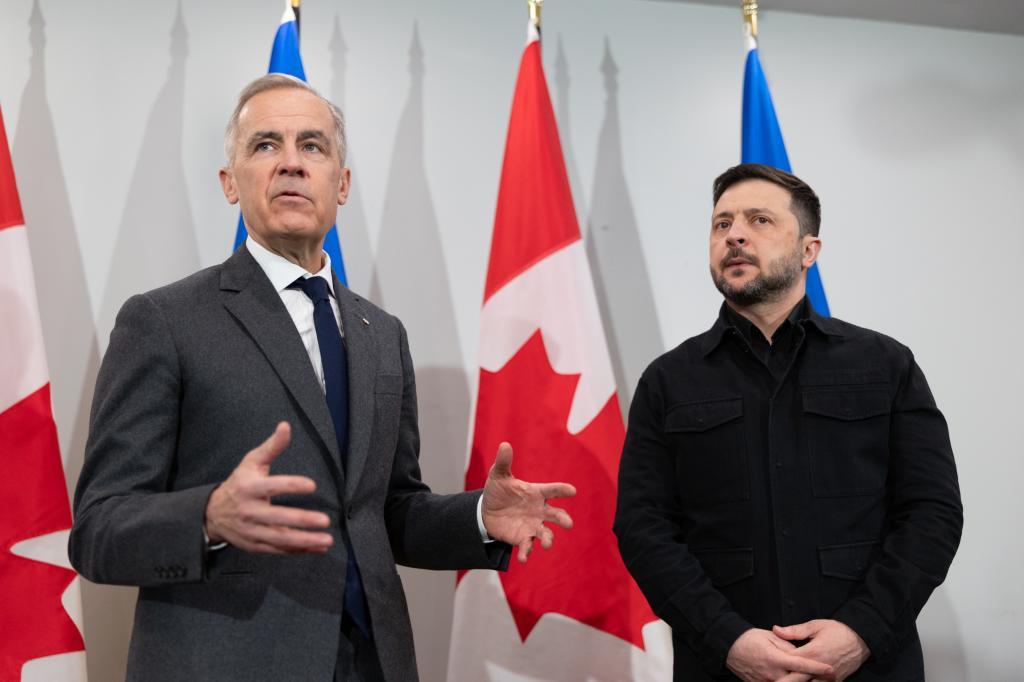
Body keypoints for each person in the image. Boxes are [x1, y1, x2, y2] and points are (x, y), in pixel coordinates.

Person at [69, 73, 576, 682]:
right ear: (230, 183)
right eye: (264, 145)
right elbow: (98, 529)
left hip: (371, 663)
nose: (290, 164)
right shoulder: (164, 321)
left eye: (312, 146)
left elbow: (384, 512)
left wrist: (475, 519)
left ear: (342, 184)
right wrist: (207, 516)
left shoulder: (381, 332)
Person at [614, 163, 962, 682]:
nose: (734, 234)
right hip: (721, 669)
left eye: (759, 220)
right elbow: (644, 529)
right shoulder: (668, 381)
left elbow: (932, 513)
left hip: (868, 667)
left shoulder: (885, 364)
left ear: (809, 251)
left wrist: (861, 631)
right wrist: (727, 640)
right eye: (721, 223)